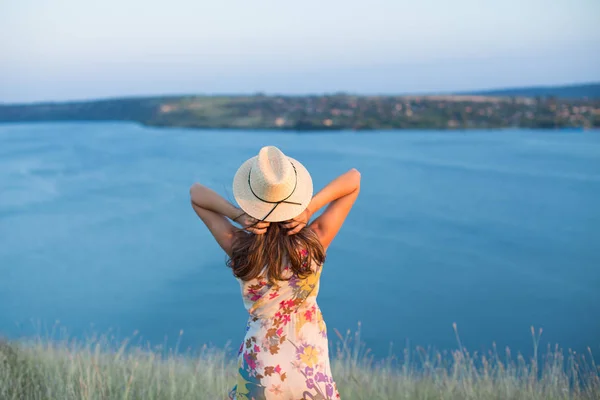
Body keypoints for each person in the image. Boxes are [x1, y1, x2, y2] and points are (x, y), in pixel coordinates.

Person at [190, 146, 360, 400]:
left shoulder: (242, 248)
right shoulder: (313, 242)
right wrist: (310, 209)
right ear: (295, 197)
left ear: (252, 202)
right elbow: (354, 179)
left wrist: (238, 215)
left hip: (261, 364)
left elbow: (196, 194)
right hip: (309, 363)